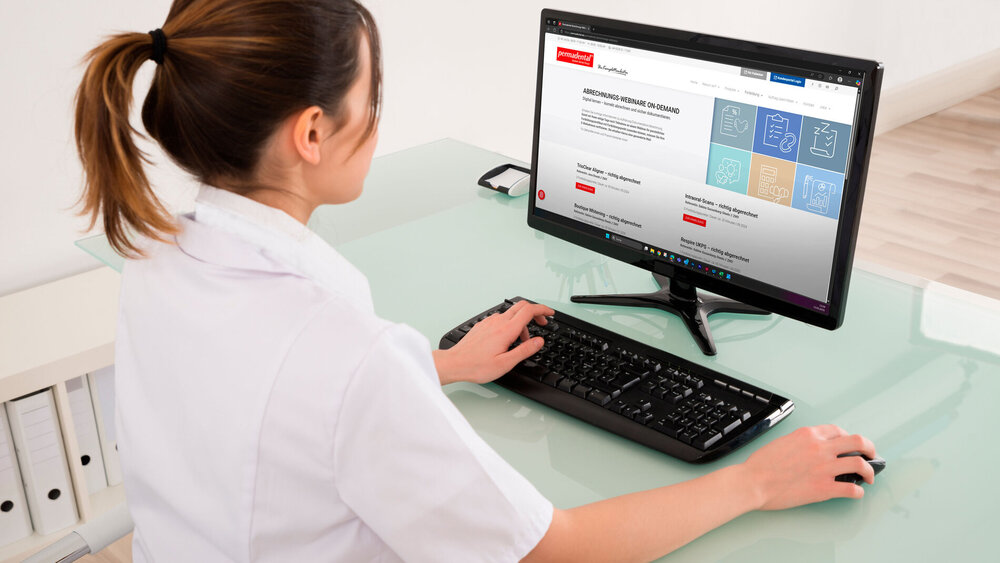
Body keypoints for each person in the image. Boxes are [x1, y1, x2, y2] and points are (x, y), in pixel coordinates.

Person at [73, 1, 878, 561]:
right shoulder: (348, 353)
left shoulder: (157, 255)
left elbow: (270, 396)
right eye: (371, 98)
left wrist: (439, 366)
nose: (378, 121)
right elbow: (550, 548)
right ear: (312, 133)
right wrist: (753, 482)